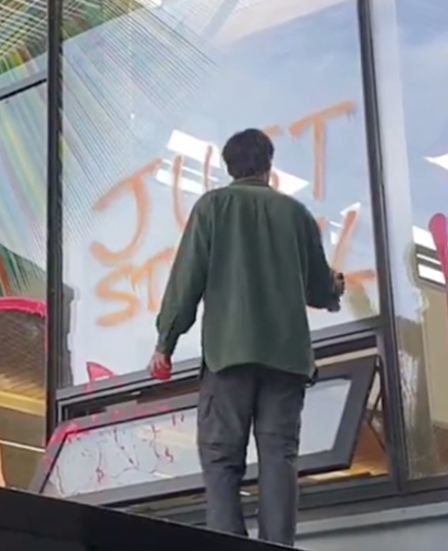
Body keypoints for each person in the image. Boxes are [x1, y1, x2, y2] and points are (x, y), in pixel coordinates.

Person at [149, 128, 345, 546]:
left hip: (229, 356)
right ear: (269, 166)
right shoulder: (296, 215)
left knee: (221, 460)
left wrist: (166, 342)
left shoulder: (213, 208)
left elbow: (187, 282)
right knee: (279, 458)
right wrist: (337, 288)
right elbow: (319, 288)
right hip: (287, 360)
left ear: (229, 167)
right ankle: (277, 545)